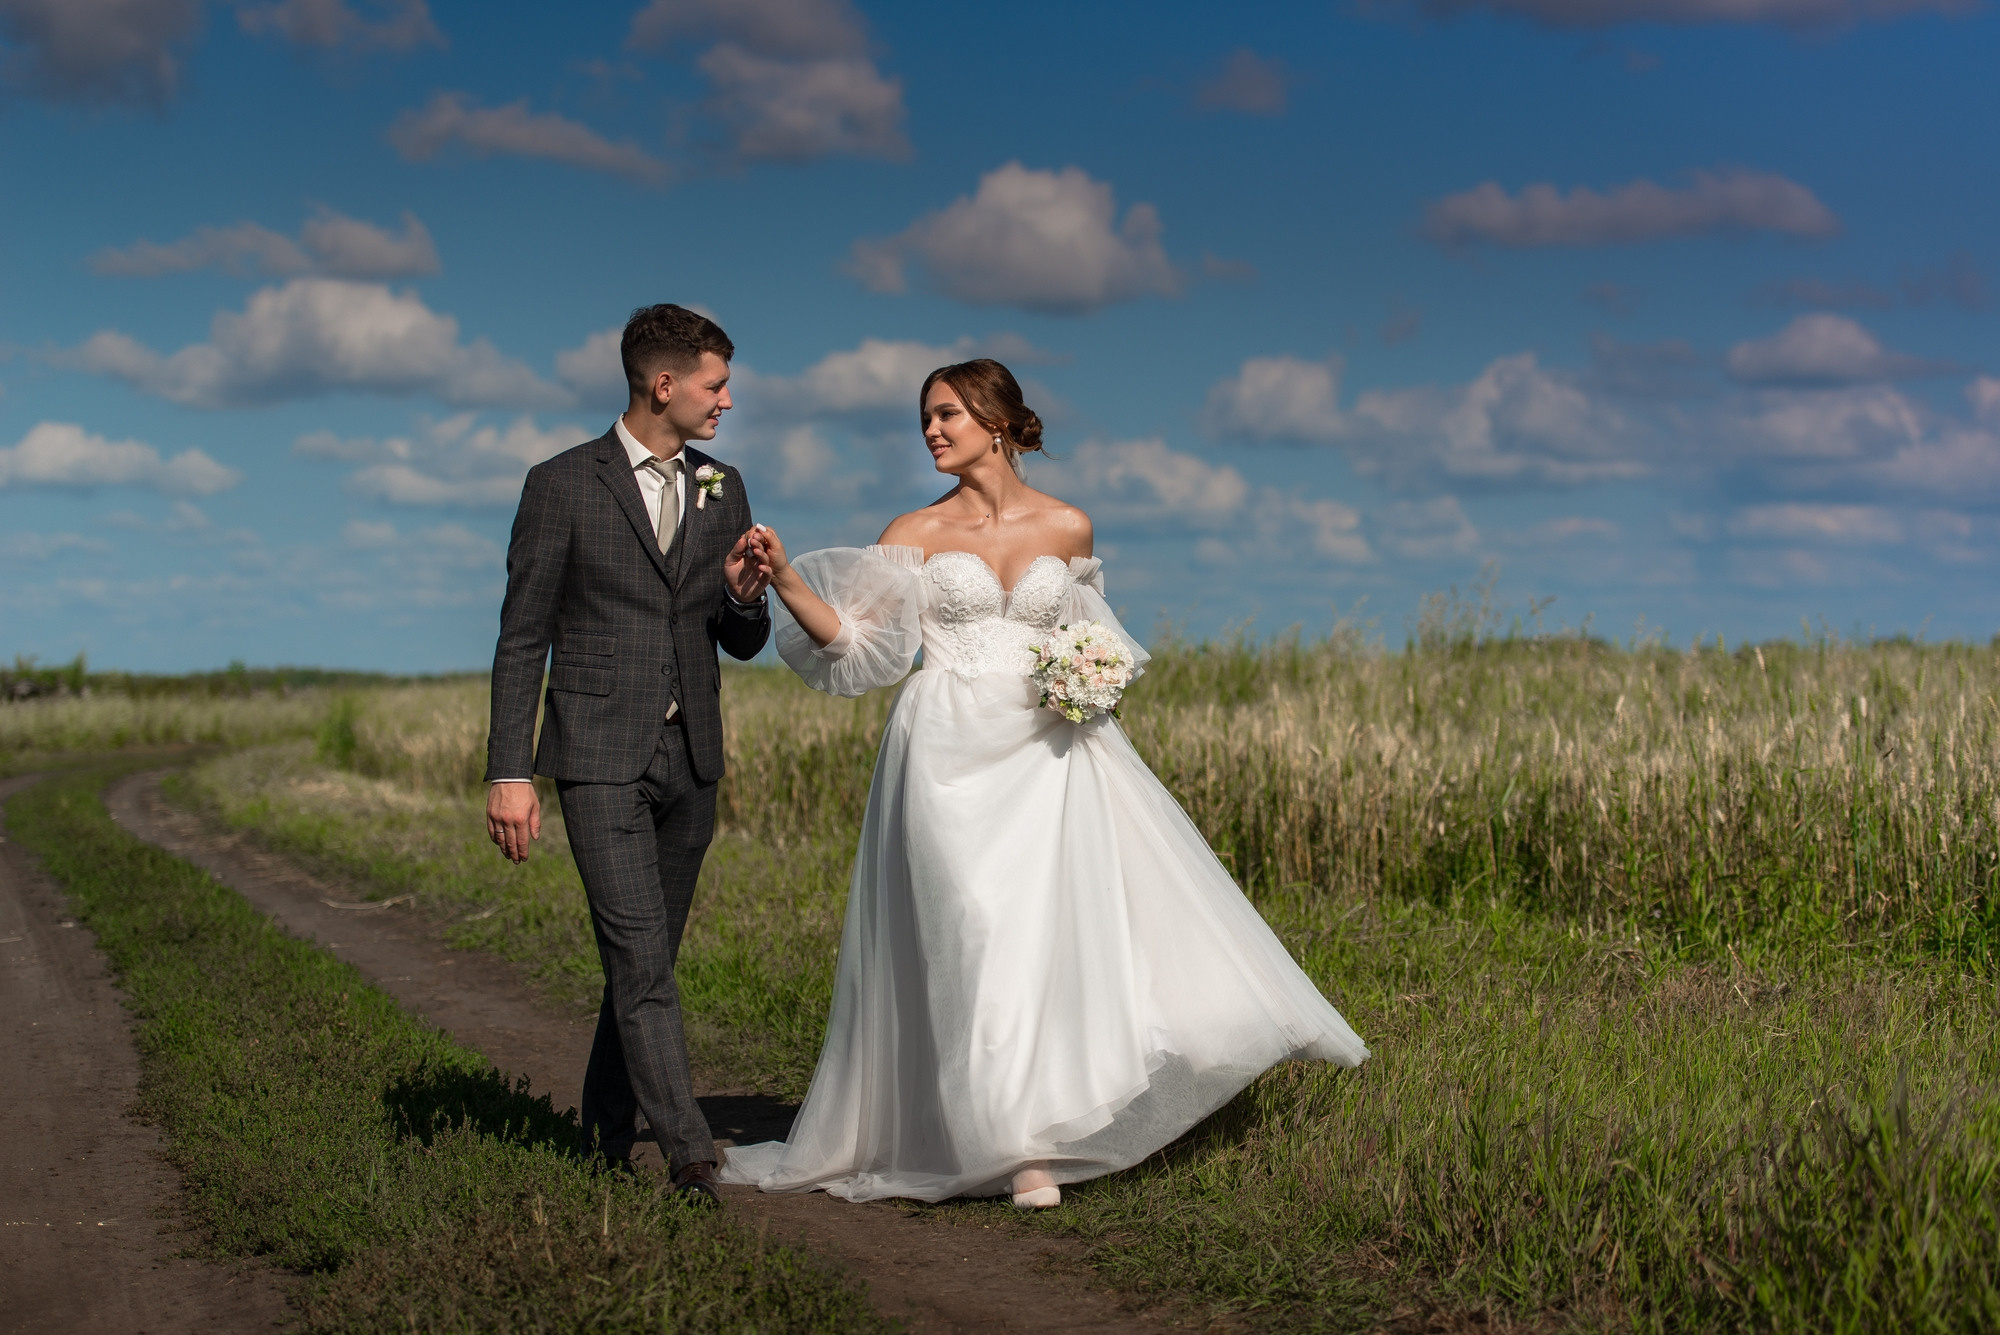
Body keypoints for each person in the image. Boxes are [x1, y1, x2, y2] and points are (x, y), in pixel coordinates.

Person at [723, 359, 1368, 1209]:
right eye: (926, 417)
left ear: (996, 419)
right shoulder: (912, 527)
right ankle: (1007, 1137)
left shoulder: (1068, 525)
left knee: (1044, 935)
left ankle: (1036, 1141)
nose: (932, 430)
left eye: (947, 413)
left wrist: (1089, 681)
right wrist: (790, 581)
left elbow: (1092, 637)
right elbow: (860, 646)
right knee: (976, 930)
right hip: (947, 750)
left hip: (1049, 748)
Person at [484, 303, 773, 1209]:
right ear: (664, 383)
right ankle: (689, 1155)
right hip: (598, 756)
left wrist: (743, 595)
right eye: (716, 383)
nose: (728, 399)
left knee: (644, 960)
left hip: (692, 760)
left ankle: (603, 1133)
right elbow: (522, 636)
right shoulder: (561, 483)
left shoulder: (724, 484)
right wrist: (509, 770)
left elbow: (744, 637)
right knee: (641, 957)